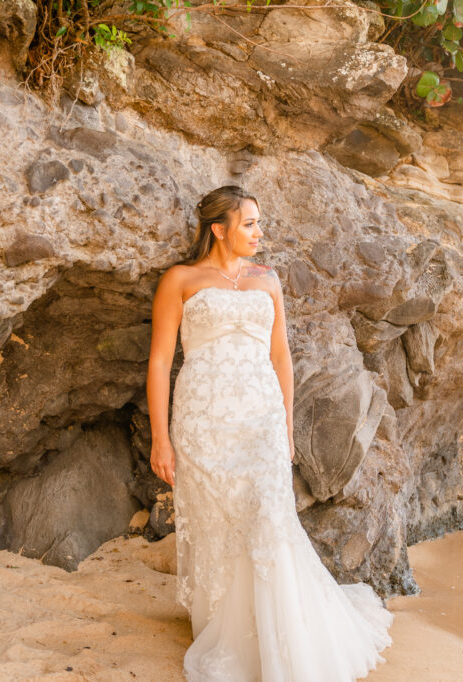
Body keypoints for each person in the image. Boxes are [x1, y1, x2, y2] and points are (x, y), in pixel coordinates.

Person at [146, 185, 395, 680]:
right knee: (220, 523)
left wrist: (284, 422)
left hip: (260, 419)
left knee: (269, 519)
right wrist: (161, 438)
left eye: (260, 223)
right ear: (220, 228)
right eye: (250, 224)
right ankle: (227, 626)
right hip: (202, 418)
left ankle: (286, 636)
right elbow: (158, 361)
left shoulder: (269, 280)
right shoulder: (180, 280)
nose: (260, 233)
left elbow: (280, 356)